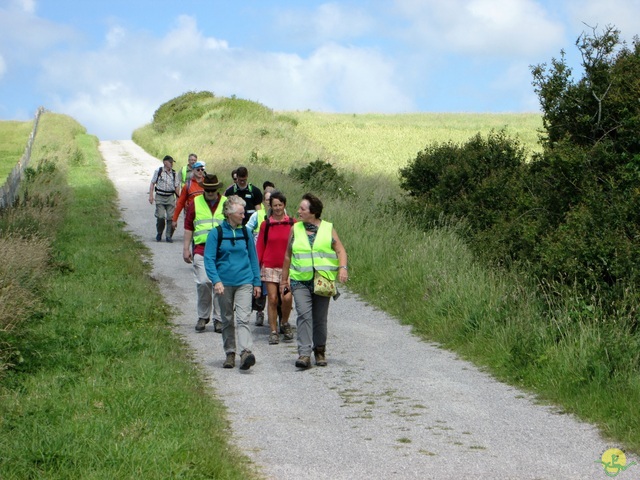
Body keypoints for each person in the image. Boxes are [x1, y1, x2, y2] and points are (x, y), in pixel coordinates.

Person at [281, 193, 348, 369]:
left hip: (322, 281)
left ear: (313, 212)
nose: (298, 211)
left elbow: (341, 250)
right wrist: (284, 280)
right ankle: (304, 354)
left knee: (320, 318)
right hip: (300, 281)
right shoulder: (295, 229)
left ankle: (319, 351)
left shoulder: (328, 228)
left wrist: (343, 268)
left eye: (302, 209)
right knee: (303, 314)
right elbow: (288, 255)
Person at [204, 195, 261, 370]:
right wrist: (216, 281)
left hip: (244, 281)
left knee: (243, 318)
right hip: (224, 283)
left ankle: (245, 352)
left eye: (244, 213)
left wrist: (257, 282)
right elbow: (209, 259)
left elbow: (253, 257)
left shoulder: (246, 233)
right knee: (227, 318)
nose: (244, 216)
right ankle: (230, 352)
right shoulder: (216, 233)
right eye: (240, 213)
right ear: (229, 213)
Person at [182, 173, 226, 334]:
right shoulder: (196, 202)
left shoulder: (226, 203)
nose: (210, 192)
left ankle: (219, 319)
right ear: (204, 189)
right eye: (208, 189)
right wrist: (186, 248)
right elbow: (188, 226)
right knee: (203, 282)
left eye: (213, 189)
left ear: (217, 189)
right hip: (201, 249)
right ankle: (203, 316)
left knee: (220, 285)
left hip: (222, 251)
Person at [256, 190, 296, 344]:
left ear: (284, 205)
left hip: (288, 267)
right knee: (272, 299)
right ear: (270, 207)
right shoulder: (266, 225)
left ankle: (284, 322)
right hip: (270, 266)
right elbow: (260, 247)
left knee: (286, 297)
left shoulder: (293, 224)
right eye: (275, 205)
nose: (278, 208)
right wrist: (256, 270)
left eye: (280, 205)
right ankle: (273, 331)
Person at [246, 186, 275, 326]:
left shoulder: (282, 214)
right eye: (268, 200)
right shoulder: (258, 215)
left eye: (272, 200)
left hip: (274, 254)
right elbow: (247, 229)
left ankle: (274, 314)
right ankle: (259, 312)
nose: (270, 203)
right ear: (264, 201)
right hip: (260, 253)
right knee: (261, 286)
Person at [148, 155, 180, 242]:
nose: (172, 164)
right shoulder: (158, 171)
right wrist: (151, 195)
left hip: (170, 197)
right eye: (170, 162)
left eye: (172, 162)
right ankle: (159, 232)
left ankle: (169, 236)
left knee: (171, 217)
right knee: (161, 216)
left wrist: (178, 199)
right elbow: (152, 183)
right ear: (165, 162)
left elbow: (177, 186)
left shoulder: (174, 174)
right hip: (160, 196)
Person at [172, 160, 206, 231]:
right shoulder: (188, 186)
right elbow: (180, 203)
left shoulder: (207, 184)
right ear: (193, 171)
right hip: (192, 214)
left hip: (204, 214)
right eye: (198, 169)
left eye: (202, 169)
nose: (200, 171)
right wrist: (175, 219)